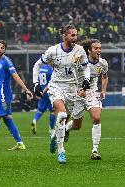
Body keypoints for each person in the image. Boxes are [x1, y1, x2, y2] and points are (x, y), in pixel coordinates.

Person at [33, 24, 90, 164]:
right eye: (72, 35)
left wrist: (87, 79)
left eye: (76, 35)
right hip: (56, 86)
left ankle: (54, 135)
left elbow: (86, 67)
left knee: (63, 121)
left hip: (72, 89)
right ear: (65, 35)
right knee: (62, 115)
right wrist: (36, 84)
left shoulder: (80, 50)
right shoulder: (53, 50)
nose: (75, 38)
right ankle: (61, 151)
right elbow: (37, 65)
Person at [64, 39, 108, 160]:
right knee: (77, 126)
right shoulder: (79, 61)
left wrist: (103, 90)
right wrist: (76, 90)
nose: (99, 50)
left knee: (97, 117)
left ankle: (95, 150)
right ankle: (67, 129)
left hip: (92, 93)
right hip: (78, 95)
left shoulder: (103, 63)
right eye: (96, 48)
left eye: (100, 48)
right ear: (89, 50)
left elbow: (105, 77)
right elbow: (70, 76)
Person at [30, 62, 55, 136]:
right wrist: (44, 92)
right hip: (49, 92)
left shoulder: (41, 69)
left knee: (40, 110)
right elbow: (50, 83)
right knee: (53, 111)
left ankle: (34, 121)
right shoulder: (51, 70)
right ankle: (51, 129)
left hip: (41, 92)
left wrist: (40, 93)